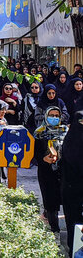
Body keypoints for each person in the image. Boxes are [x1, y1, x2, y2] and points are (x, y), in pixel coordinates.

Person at [33, 106, 68, 233]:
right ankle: (55, 229)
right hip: (46, 171)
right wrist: (43, 158)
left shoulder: (65, 130)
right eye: (51, 115)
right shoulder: (39, 132)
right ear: (46, 116)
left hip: (63, 171)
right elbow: (35, 153)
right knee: (50, 200)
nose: (54, 118)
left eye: (56, 115)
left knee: (63, 198)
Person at [61, 109, 83, 254]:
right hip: (71, 189)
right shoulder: (69, 143)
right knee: (73, 221)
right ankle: (73, 250)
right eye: (80, 123)